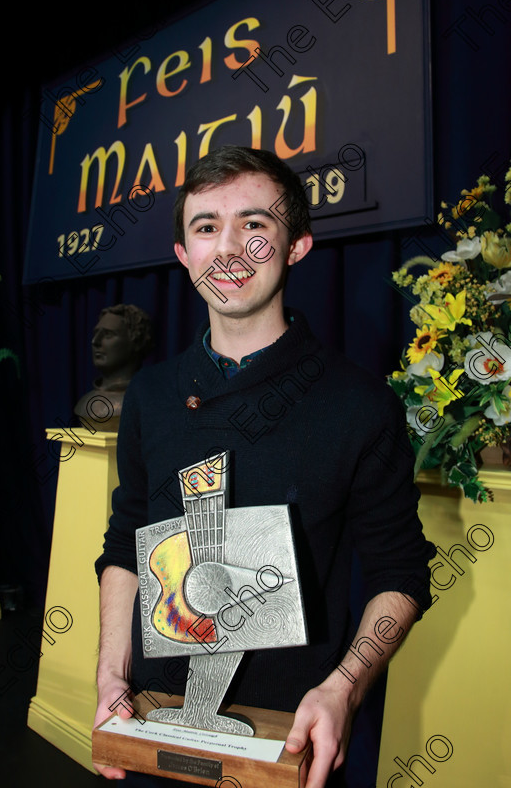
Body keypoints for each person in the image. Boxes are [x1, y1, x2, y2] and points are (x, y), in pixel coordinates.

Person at [93, 146, 435, 787]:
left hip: (286, 736)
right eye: (205, 228)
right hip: (154, 721)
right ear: (182, 255)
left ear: (297, 246)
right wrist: (112, 675)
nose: (227, 249)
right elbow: (125, 543)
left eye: (255, 225)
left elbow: (402, 572)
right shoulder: (149, 395)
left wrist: (346, 689)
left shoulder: (359, 403)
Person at [74, 304, 153, 431]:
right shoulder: (86, 401)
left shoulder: (146, 401)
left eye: (108, 334)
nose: (95, 341)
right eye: (96, 333)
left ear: (136, 341)